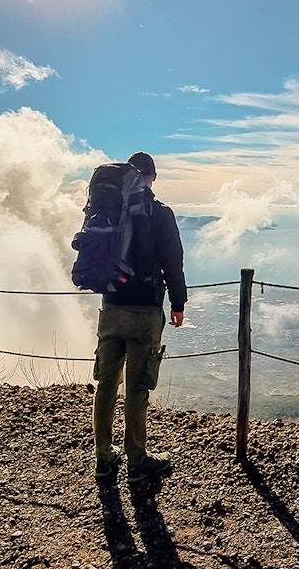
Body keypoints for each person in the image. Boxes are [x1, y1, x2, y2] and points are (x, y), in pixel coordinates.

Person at [92, 151, 187, 484]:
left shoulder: (109, 211)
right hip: (145, 310)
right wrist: (178, 302)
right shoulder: (159, 214)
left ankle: (104, 457)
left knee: (105, 382)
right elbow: (173, 262)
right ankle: (137, 461)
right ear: (153, 178)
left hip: (111, 307)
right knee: (137, 387)